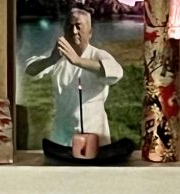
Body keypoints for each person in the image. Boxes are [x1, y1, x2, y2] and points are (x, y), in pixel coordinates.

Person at [24, 9, 123, 146]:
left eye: (78, 26)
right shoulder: (57, 56)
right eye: (69, 27)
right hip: (63, 133)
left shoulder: (98, 55)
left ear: (90, 33)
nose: (74, 31)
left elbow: (117, 72)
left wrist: (78, 61)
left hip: (95, 132)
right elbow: (30, 70)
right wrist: (51, 60)